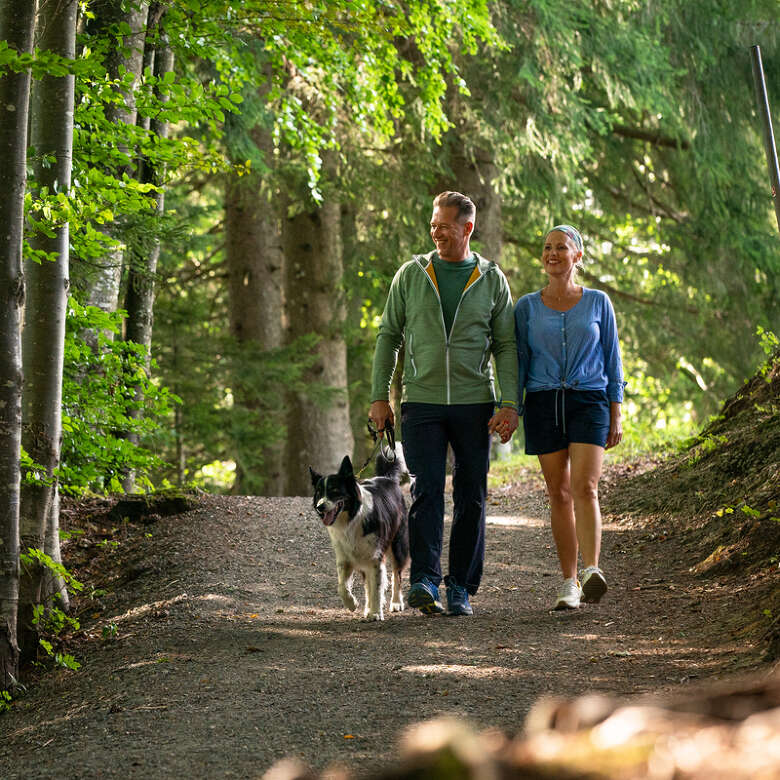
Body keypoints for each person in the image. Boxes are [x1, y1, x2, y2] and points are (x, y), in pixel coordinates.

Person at [369, 191, 519, 617]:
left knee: (472, 495)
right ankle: (424, 581)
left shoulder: (491, 279)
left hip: (475, 404)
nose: (436, 233)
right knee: (425, 492)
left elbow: (506, 346)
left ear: (467, 228)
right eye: (433, 225)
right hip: (422, 402)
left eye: (445, 227)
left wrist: (510, 403)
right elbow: (388, 337)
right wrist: (380, 396)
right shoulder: (412, 274)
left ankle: (461, 588)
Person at [514, 225, 624, 610]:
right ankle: (569, 582)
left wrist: (616, 411)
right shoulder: (526, 307)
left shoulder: (598, 302)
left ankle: (592, 570)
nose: (552, 253)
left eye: (561, 247)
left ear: (577, 256)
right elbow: (519, 363)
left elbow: (613, 359)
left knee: (585, 487)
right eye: (547, 247)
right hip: (544, 403)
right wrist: (512, 407)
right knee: (557, 493)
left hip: (588, 399)